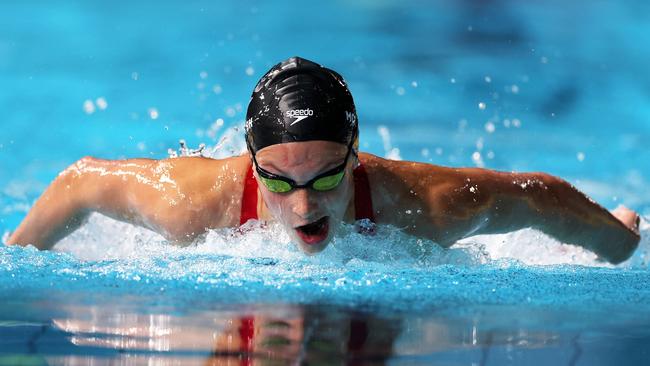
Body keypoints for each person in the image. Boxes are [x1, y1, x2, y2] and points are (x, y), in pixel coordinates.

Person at [6, 57, 641, 263]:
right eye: (278, 182)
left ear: (356, 156)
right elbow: (80, 181)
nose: (304, 206)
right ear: (252, 165)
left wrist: (620, 242)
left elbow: (538, 195)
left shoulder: (422, 206)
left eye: (328, 176)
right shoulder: (194, 205)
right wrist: (15, 254)